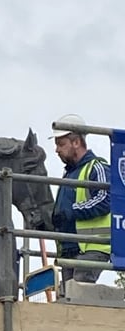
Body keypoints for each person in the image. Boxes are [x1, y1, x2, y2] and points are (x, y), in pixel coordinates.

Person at [50, 113, 111, 293]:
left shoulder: (97, 167)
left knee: (77, 293)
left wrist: (71, 210)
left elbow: (104, 199)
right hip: (71, 248)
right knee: (68, 296)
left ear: (76, 142)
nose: (57, 150)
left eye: (61, 144)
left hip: (92, 246)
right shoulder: (69, 174)